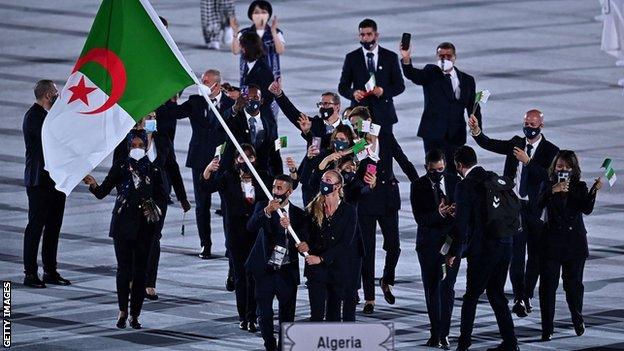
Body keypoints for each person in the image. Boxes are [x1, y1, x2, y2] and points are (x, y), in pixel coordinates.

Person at [468, 110, 559, 317]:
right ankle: (519, 297)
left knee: (534, 255)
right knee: (516, 254)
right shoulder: (516, 143)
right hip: (514, 207)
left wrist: (528, 162)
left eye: (532, 124)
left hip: (536, 209)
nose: (528, 127)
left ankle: (527, 294)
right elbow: (490, 144)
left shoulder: (551, 150)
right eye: (526, 122)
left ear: (541, 126)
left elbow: (549, 177)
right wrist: (476, 132)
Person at [83, 129, 166, 329]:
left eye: (140, 146)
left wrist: (153, 207)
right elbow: (103, 192)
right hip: (122, 225)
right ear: (128, 146)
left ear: (146, 147)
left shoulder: (154, 170)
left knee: (140, 273)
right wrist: (94, 184)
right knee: (123, 270)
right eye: (133, 145)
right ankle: (122, 311)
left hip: (145, 228)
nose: (137, 149)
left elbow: (163, 197)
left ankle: (135, 314)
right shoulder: (120, 166)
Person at [112, 113, 191, 300]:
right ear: (140, 120)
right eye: (148, 116)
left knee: (153, 238)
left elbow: (173, 168)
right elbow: (117, 168)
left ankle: (149, 282)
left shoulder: (162, 140)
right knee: (133, 237)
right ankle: (131, 278)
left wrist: (182, 198)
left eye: (154, 116)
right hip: (133, 198)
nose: (152, 119)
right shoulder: (128, 140)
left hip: (158, 198)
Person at [450, 146, 519, 351]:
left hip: (483, 249)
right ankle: (510, 342)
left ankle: (463, 344)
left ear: (459, 165)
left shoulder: (465, 186)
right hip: (505, 244)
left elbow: (461, 225)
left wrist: (453, 252)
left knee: (471, 296)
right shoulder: (493, 178)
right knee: (496, 294)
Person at [202, 144, 272, 332]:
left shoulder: (262, 177)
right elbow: (207, 187)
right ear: (235, 161)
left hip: (258, 235)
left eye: (250, 157)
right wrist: (208, 170)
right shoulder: (228, 178)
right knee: (241, 277)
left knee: (256, 277)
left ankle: (254, 314)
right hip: (236, 235)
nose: (246, 161)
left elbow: (281, 190)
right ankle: (244, 317)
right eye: (242, 158)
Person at [355, 109, 419, 314]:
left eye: (358, 123)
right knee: (367, 251)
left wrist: (421, 185)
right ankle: (369, 298)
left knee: (394, 246)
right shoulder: (357, 145)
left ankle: (387, 279)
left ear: (369, 121)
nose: (355, 128)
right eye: (353, 125)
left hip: (388, 199)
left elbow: (404, 161)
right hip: (365, 201)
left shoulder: (386, 137)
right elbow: (352, 174)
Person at [537, 150, 602, 341]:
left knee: (573, 286)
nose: (562, 170)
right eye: (559, 166)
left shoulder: (579, 186)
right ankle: (547, 327)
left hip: (574, 245)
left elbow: (586, 208)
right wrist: (552, 190)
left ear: (573, 169)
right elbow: (537, 205)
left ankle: (577, 317)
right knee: (547, 287)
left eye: (566, 167)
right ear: (554, 168)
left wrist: (594, 191)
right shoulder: (547, 185)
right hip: (551, 244)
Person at [246, 175, 310, 351]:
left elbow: (304, 239)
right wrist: (267, 212)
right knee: (264, 314)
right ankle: (269, 344)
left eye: (280, 188)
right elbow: (251, 226)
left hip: (286, 271)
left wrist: (292, 231)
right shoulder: (263, 207)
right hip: (265, 270)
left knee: (287, 316)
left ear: (289, 191)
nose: (275, 191)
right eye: (274, 187)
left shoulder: (298, 214)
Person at [179, 69, 235, 259]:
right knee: (202, 205)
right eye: (202, 80)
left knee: (227, 205)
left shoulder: (231, 104)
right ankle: (205, 244)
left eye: (206, 81)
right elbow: (176, 113)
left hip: (223, 162)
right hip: (200, 161)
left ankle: (230, 245)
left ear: (217, 84)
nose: (202, 83)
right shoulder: (195, 101)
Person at [400, 42, 480, 173]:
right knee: (434, 174)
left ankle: (453, 194)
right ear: (437, 56)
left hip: (456, 135)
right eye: (441, 56)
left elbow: (473, 107)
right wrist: (406, 59)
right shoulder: (431, 73)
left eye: (448, 56)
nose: (445, 59)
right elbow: (413, 75)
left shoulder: (467, 80)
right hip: (433, 134)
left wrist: (477, 128)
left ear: (455, 57)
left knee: (455, 173)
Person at [410, 149, 460, 350]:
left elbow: (464, 216)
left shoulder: (455, 182)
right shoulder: (418, 186)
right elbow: (420, 219)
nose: (438, 173)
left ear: (445, 166)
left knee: (447, 289)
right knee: (432, 289)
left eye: (441, 169)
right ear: (426, 168)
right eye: (433, 171)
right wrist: (439, 214)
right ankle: (435, 332)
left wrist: (456, 212)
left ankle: (445, 334)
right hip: (428, 246)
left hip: (450, 244)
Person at [22, 79, 71, 288]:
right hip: (38, 182)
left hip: (55, 181)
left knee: (53, 226)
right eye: (56, 93)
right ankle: (30, 274)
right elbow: (51, 139)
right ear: (48, 95)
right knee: (35, 227)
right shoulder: (34, 117)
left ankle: (50, 270)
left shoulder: (49, 116)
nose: (59, 96)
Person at [305, 170, 359, 321]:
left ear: (338, 186)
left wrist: (321, 258)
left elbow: (345, 243)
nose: (324, 183)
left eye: (328, 180)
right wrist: (304, 245)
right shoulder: (312, 208)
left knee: (334, 314)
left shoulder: (349, 211)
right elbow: (305, 233)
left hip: (337, 269)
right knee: (316, 314)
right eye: (323, 179)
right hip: (316, 271)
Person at [338, 18, 405, 132]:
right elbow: (342, 87)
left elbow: (399, 86)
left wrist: (383, 91)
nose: (365, 38)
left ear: (376, 35)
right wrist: (353, 93)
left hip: (384, 115)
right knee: (361, 146)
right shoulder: (352, 58)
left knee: (385, 147)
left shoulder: (390, 57)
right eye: (362, 35)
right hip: (359, 115)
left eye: (369, 34)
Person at [231, 0, 284, 117]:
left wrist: (274, 31)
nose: (260, 15)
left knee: (270, 113)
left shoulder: (275, 33)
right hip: (248, 79)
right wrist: (235, 32)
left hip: (270, 79)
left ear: (269, 15)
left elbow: (280, 50)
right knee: (247, 113)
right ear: (251, 15)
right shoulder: (244, 33)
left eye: (263, 12)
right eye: (256, 12)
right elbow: (235, 51)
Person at [226, 84, 282, 177]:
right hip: (236, 175)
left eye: (256, 97)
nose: (251, 100)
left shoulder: (270, 124)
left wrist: (279, 177)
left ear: (262, 101)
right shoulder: (234, 119)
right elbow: (219, 125)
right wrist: (234, 108)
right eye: (248, 97)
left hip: (262, 176)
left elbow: (275, 153)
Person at [235, 30, 276, 118]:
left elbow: (267, 97)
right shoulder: (251, 66)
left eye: (242, 47)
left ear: (246, 49)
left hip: (260, 118)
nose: (241, 50)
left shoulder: (262, 70)